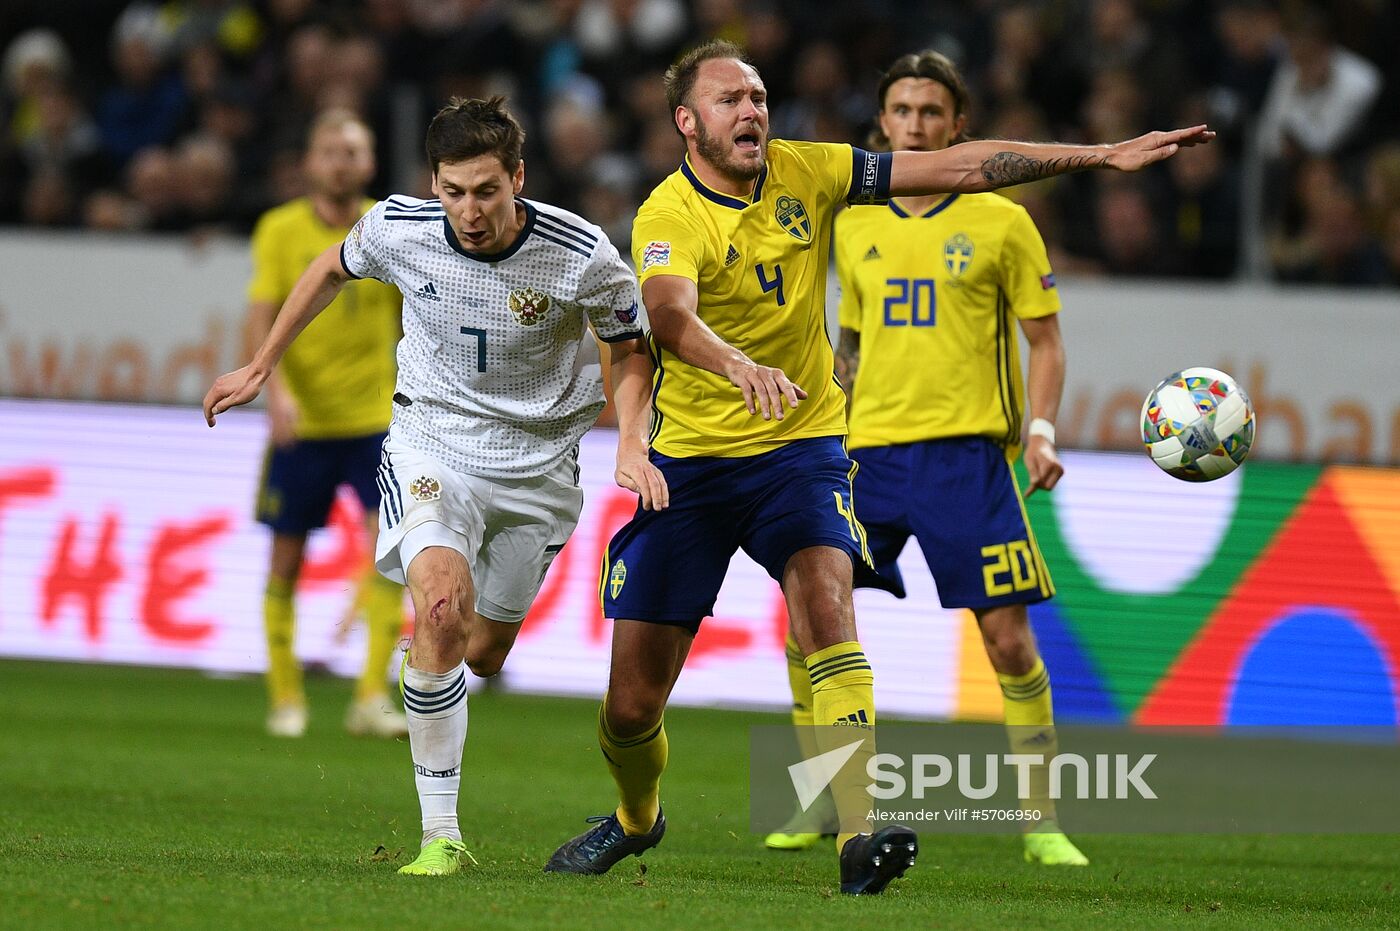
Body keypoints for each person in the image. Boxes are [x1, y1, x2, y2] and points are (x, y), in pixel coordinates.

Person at [543, 39, 1209, 895]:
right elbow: (667, 314)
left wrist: (1101, 154)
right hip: (694, 462)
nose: (752, 110)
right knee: (632, 707)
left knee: (826, 600)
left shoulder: (811, 171)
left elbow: (967, 169)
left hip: (803, 443)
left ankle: (858, 832)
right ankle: (637, 817)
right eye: (728, 100)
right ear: (686, 123)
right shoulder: (669, 214)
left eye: (758, 94)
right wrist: (735, 364)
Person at [205, 96, 662, 877]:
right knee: (440, 608)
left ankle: (449, 713)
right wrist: (262, 363)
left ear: (517, 178)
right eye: (453, 191)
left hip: (537, 465)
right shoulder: (397, 229)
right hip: (432, 440)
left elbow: (631, 345)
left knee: (481, 652)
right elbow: (328, 269)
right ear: (434, 183)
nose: (470, 211)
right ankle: (440, 835)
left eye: (487, 190)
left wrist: (628, 438)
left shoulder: (581, 252)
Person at [761, 50, 1088, 868]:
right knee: (810, 628)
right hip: (865, 455)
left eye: (930, 112)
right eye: (901, 111)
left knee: (1008, 639)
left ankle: (1042, 819)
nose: (915, 123)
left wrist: (1041, 431)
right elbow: (853, 341)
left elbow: (1044, 342)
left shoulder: (1004, 222)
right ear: (883, 126)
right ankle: (822, 799)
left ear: (958, 126)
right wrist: (823, 404)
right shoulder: (854, 224)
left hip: (966, 458)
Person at [244, 109, 407, 739]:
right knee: (286, 558)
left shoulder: (388, 225)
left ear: (368, 162)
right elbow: (259, 316)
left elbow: (409, 316)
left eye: (353, 151)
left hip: (376, 421)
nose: (341, 161)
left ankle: (370, 697)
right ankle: (286, 697)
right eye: (329, 150)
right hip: (304, 423)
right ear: (310, 163)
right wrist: (275, 390)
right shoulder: (279, 230)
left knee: (389, 555)